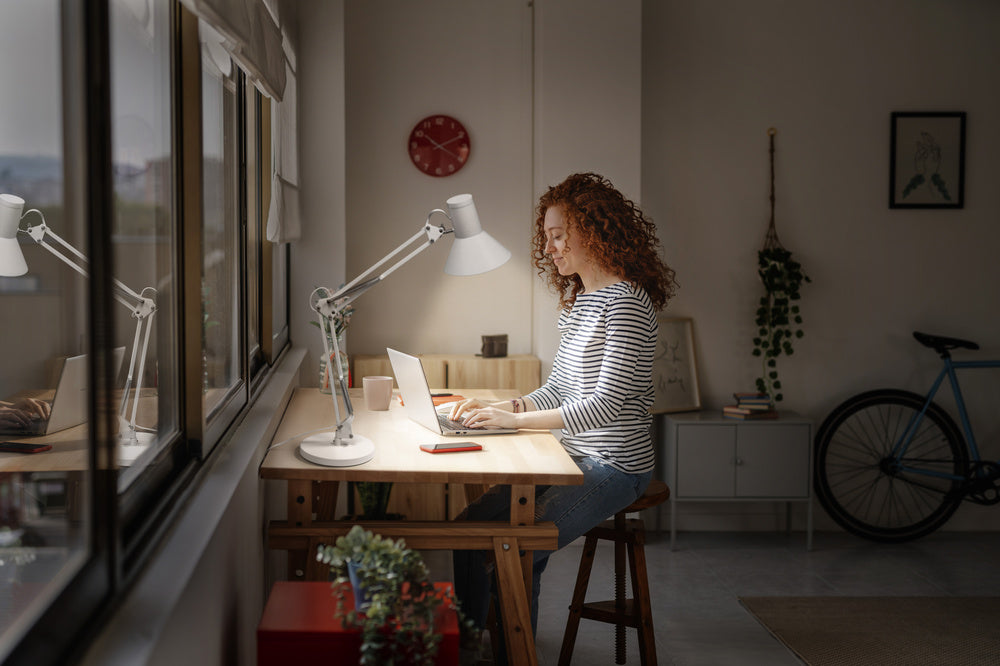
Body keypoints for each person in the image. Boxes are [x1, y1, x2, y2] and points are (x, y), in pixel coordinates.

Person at [450, 172, 677, 660]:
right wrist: (502, 409)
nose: (550, 248)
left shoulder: (628, 305)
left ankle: (517, 653)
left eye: (558, 236)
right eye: (547, 237)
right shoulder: (579, 304)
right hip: (571, 456)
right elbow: (559, 390)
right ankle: (469, 646)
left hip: (615, 466)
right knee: (471, 527)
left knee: (521, 547)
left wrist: (513, 424)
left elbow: (604, 406)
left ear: (594, 231)